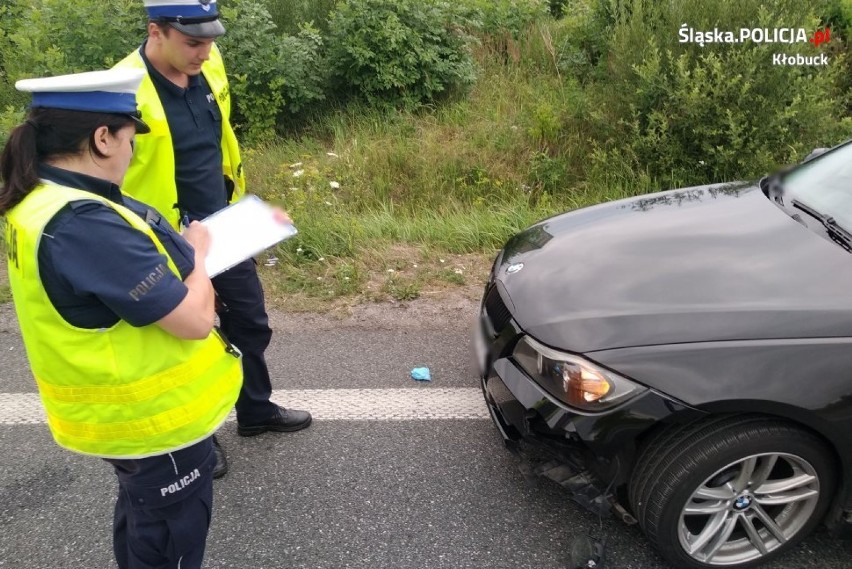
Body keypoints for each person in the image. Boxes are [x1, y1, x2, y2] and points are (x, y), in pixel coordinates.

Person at [1, 67, 242, 568]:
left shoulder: (45, 197)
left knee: (144, 521)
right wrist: (198, 255)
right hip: (154, 423)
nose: (133, 154)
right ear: (103, 138)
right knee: (169, 542)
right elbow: (195, 320)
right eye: (132, 139)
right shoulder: (82, 222)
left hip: (129, 423)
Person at [115, 0, 312, 480]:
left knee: (249, 321)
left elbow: (217, 144)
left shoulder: (207, 63)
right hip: (165, 239)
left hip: (221, 224)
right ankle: (196, 438)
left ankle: (255, 411)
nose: (205, 52)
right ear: (155, 31)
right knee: (190, 338)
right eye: (193, 42)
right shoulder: (121, 89)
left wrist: (250, 211)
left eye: (210, 40)